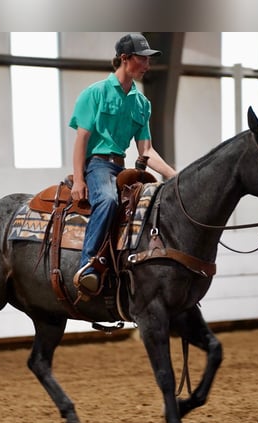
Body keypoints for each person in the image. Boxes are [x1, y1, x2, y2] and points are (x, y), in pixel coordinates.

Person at [69, 33, 177, 295]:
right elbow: (82, 138)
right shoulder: (95, 93)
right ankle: (88, 267)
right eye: (142, 59)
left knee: (151, 205)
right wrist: (79, 179)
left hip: (123, 167)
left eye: (148, 60)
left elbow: (147, 150)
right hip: (98, 165)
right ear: (125, 58)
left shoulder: (141, 103)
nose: (147, 65)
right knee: (107, 200)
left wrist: (174, 175)